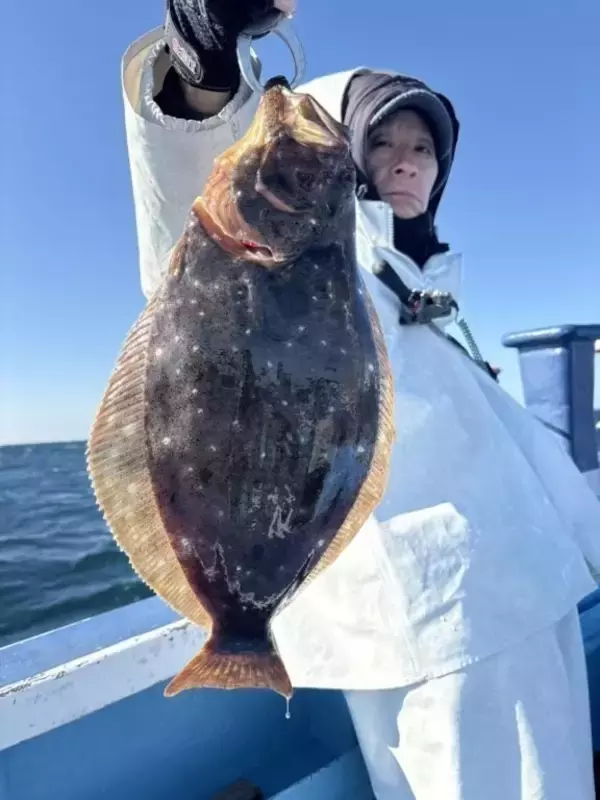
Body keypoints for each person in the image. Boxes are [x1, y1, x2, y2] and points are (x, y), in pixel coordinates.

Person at [121, 1, 600, 797]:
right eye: (380, 141)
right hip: (437, 632)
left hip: (532, 597)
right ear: (345, 156)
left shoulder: (426, 292)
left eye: (424, 148)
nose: (408, 162)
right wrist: (202, 71)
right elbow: (192, 222)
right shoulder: (313, 256)